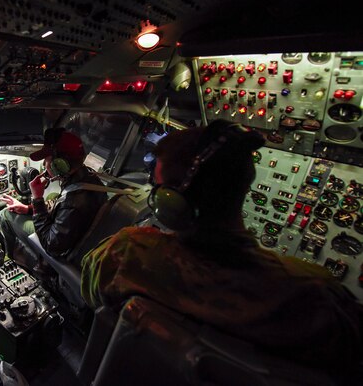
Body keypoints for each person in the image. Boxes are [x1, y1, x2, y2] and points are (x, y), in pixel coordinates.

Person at [81, 120, 363, 372]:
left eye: (159, 190)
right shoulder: (315, 293)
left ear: (172, 204)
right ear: (245, 185)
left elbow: (92, 297)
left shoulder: (126, 252)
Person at [0, 128, 107, 266]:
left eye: (46, 160)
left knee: (5, 214)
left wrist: (37, 198)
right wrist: (28, 209)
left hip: (61, 252)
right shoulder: (89, 179)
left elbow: (51, 245)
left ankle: (11, 262)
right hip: (79, 236)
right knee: (52, 195)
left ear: (59, 164)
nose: (44, 165)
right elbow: (60, 203)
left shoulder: (74, 202)